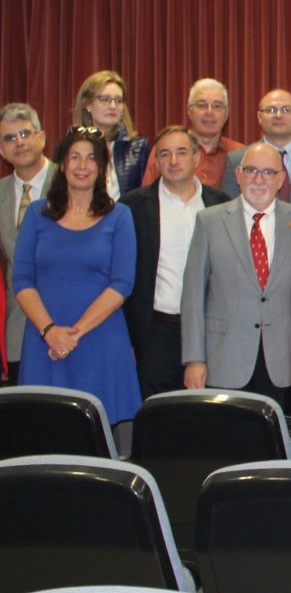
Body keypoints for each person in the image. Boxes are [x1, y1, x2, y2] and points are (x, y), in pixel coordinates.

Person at [13, 127, 141, 433]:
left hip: (99, 340)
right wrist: (50, 331)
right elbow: (22, 278)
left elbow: (122, 283)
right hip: (44, 340)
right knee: (43, 434)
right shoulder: (37, 213)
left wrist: (73, 335)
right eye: (75, 157)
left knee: (97, 439)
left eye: (91, 158)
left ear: (102, 167)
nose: (83, 165)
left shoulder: (120, 216)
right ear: (62, 164)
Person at [182, 143, 291, 415]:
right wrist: (194, 359)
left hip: (284, 357)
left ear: (281, 179)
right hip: (224, 357)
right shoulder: (209, 221)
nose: (258, 179)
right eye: (251, 170)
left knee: (279, 436)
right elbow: (193, 295)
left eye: (268, 172)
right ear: (238, 175)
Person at [121, 126, 231, 398]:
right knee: (159, 413)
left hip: (211, 331)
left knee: (207, 411)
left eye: (181, 152)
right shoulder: (133, 207)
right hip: (157, 332)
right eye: (164, 154)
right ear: (156, 162)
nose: (173, 161)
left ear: (196, 158)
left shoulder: (221, 204)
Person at [0, 103, 56, 386]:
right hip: (17, 327)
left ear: (42, 138)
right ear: (2, 151)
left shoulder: (71, 182)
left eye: (25, 133)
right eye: (10, 138)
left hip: (66, 322)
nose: (19, 142)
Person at [221, 88, 291, 211]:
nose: (278, 115)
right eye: (271, 110)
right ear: (259, 117)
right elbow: (229, 210)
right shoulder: (237, 159)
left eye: (286, 110)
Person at [142, 78, 243, 187]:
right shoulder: (166, 150)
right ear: (189, 111)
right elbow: (148, 194)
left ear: (226, 113)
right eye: (202, 105)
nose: (209, 112)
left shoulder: (240, 154)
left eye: (217, 106)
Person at [71, 70, 150, 199]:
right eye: (105, 99)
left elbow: (146, 195)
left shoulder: (138, 146)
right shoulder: (72, 145)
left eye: (118, 100)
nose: (113, 106)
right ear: (88, 104)